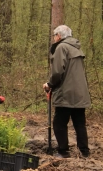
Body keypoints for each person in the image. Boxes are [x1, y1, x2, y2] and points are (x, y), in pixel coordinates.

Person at [43, 25, 91, 158]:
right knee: (79, 122)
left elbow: (58, 71)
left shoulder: (61, 47)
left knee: (59, 122)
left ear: (59, 35)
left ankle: (63, 151)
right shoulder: (76, 48)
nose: (53, 38)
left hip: (66, 93)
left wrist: (49, 84)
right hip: (80, 93)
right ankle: (85, 152)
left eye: (54, 35)